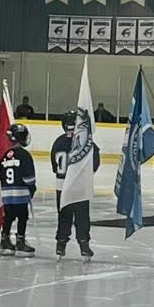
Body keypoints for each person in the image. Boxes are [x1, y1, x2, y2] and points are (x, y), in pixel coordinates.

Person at [51, 110, 101, 261]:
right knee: (82, 217)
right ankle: (84, 245)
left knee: (64, 216)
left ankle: (61, 244)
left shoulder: (58, 142)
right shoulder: (85, 141)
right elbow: (94, 162)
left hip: (62, 186)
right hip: (79, 187)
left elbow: (54, 166)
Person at [0, 123, 36, 256]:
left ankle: (5, 239)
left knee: (8, 216)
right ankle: (20, 241)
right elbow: (29, 177)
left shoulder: (4, 156)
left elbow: (1, 175)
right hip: (20, 193)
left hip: (7, 194)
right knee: (22, 216)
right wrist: (32, 188)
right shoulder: (24, 155)